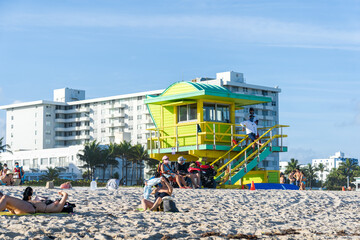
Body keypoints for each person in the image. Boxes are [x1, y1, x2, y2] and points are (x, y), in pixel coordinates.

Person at [0, 188, 68, 214]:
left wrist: (64, 194)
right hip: (24, 206)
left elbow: (59, 208)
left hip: (30, 207)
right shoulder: (48, 204)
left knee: (5, 197)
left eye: (58, 201)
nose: (56, 201)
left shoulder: (51, 207)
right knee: (5, 199)